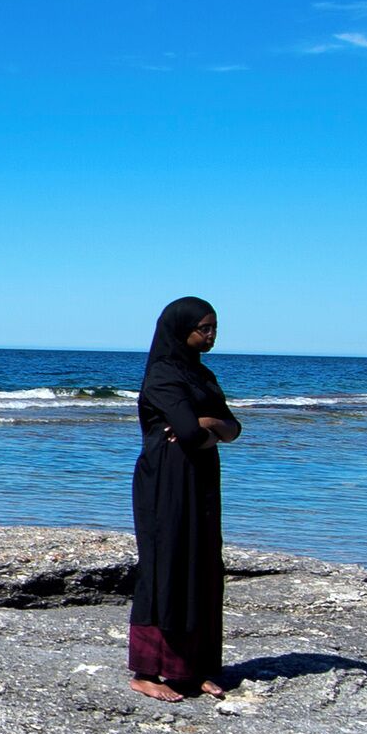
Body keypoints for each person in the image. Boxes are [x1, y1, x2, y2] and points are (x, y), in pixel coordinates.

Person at [129, 295, 239, 701]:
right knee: (166, 565)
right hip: (166, 481)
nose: (211, 335)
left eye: (214, 328)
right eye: (203, 329)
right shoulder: (162, 375)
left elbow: (234, 427)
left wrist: (209, 421)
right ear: (181, 329)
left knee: (204, 565)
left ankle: (194, 669)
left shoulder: (203, 376)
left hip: (202, 480)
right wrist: (210, 429)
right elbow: (190, 435)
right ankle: (146, 671)